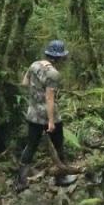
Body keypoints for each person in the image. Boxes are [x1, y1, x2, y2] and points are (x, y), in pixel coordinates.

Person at [15, 40, 77, 190]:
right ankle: (61, 176)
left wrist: (35, 92)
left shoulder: (34, 65)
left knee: (31, 146)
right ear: (58, 58)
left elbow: (24, 83)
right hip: (49, 115)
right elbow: (50, 98)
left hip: (33, 113)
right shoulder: (53, 74)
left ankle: (20, 182)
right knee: (58, 144)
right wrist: (50, 121)